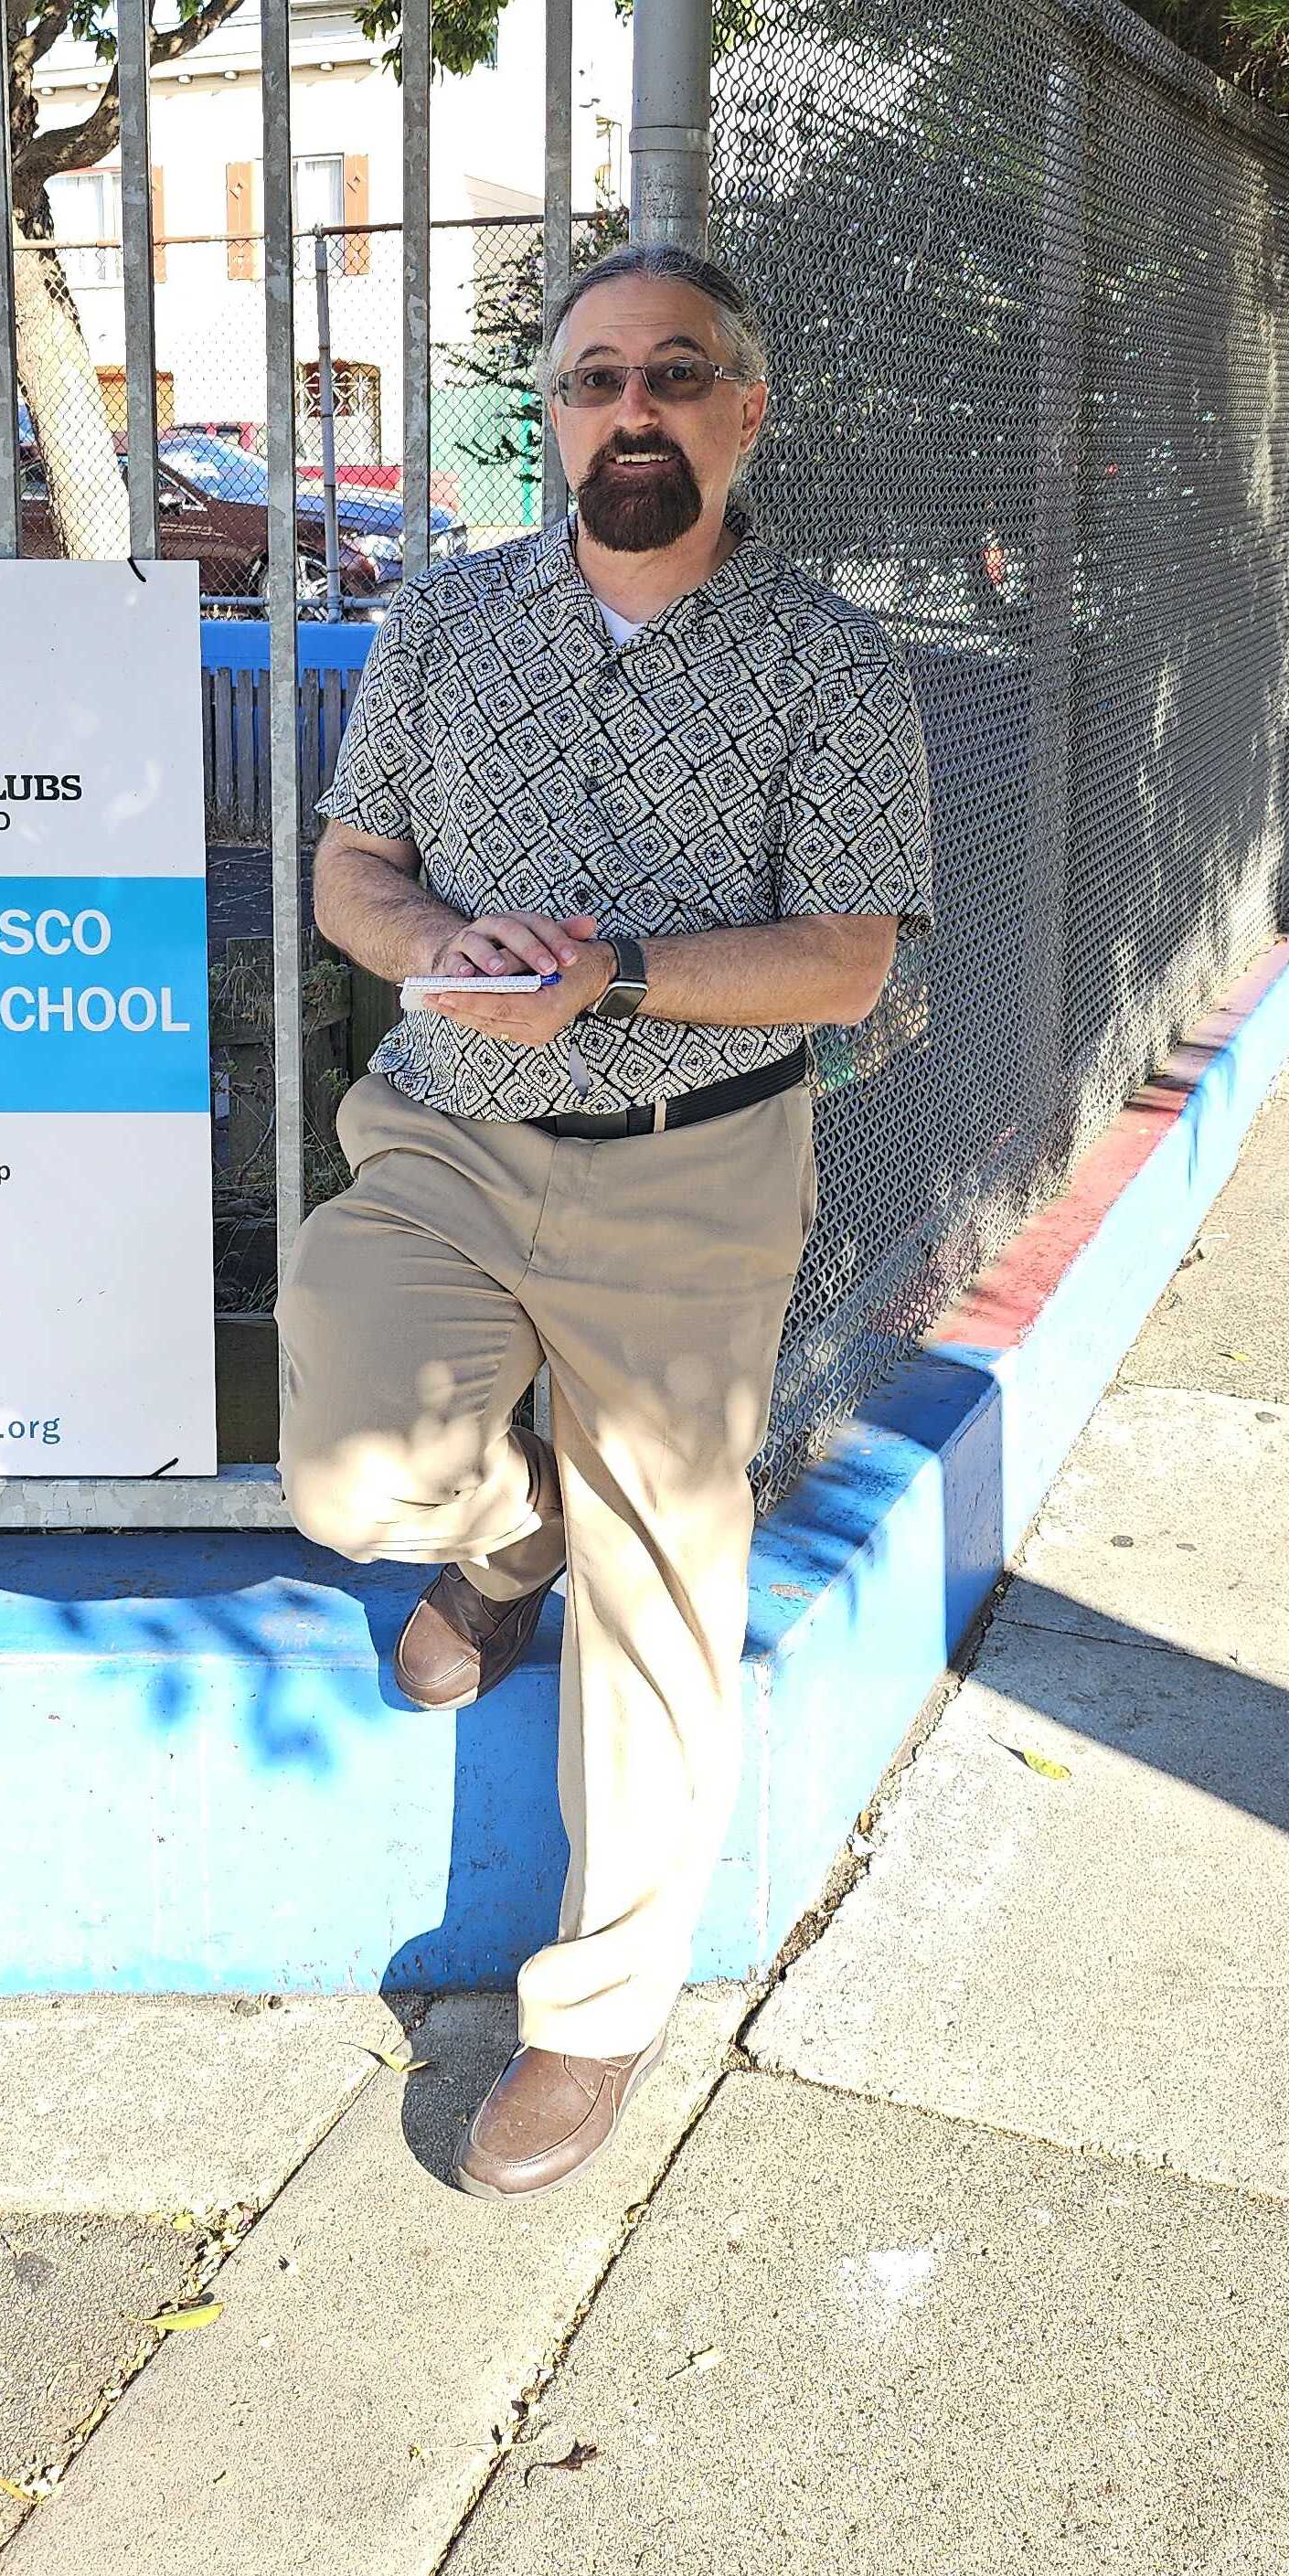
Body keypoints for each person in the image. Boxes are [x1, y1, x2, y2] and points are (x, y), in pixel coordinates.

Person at [277, 243, 934, 2199]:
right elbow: (350, 863)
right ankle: (502, 1528)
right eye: (590, 380)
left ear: (743, 413)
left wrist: (616, 974)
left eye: (673, 375)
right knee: (349, 1469)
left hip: (690, 1164)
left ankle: (597, 2015)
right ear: (548, 417)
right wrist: (434, 940)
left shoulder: (829, 658)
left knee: (668, 1602)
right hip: (451, 1132)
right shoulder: (445, 620)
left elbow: (842, 957)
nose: (627, 411)